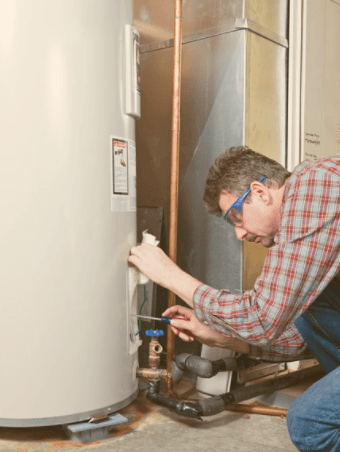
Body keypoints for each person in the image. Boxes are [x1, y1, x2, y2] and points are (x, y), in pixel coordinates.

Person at [129, 146, 340, 452]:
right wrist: (222, 337)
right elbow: (302, 334)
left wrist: (170, 276)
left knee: (311, 424)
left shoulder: (314, 190)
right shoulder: (315, 198)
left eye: (237, 217)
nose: (240, 234)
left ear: (260, 192)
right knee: (307, 304)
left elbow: (262, 318)